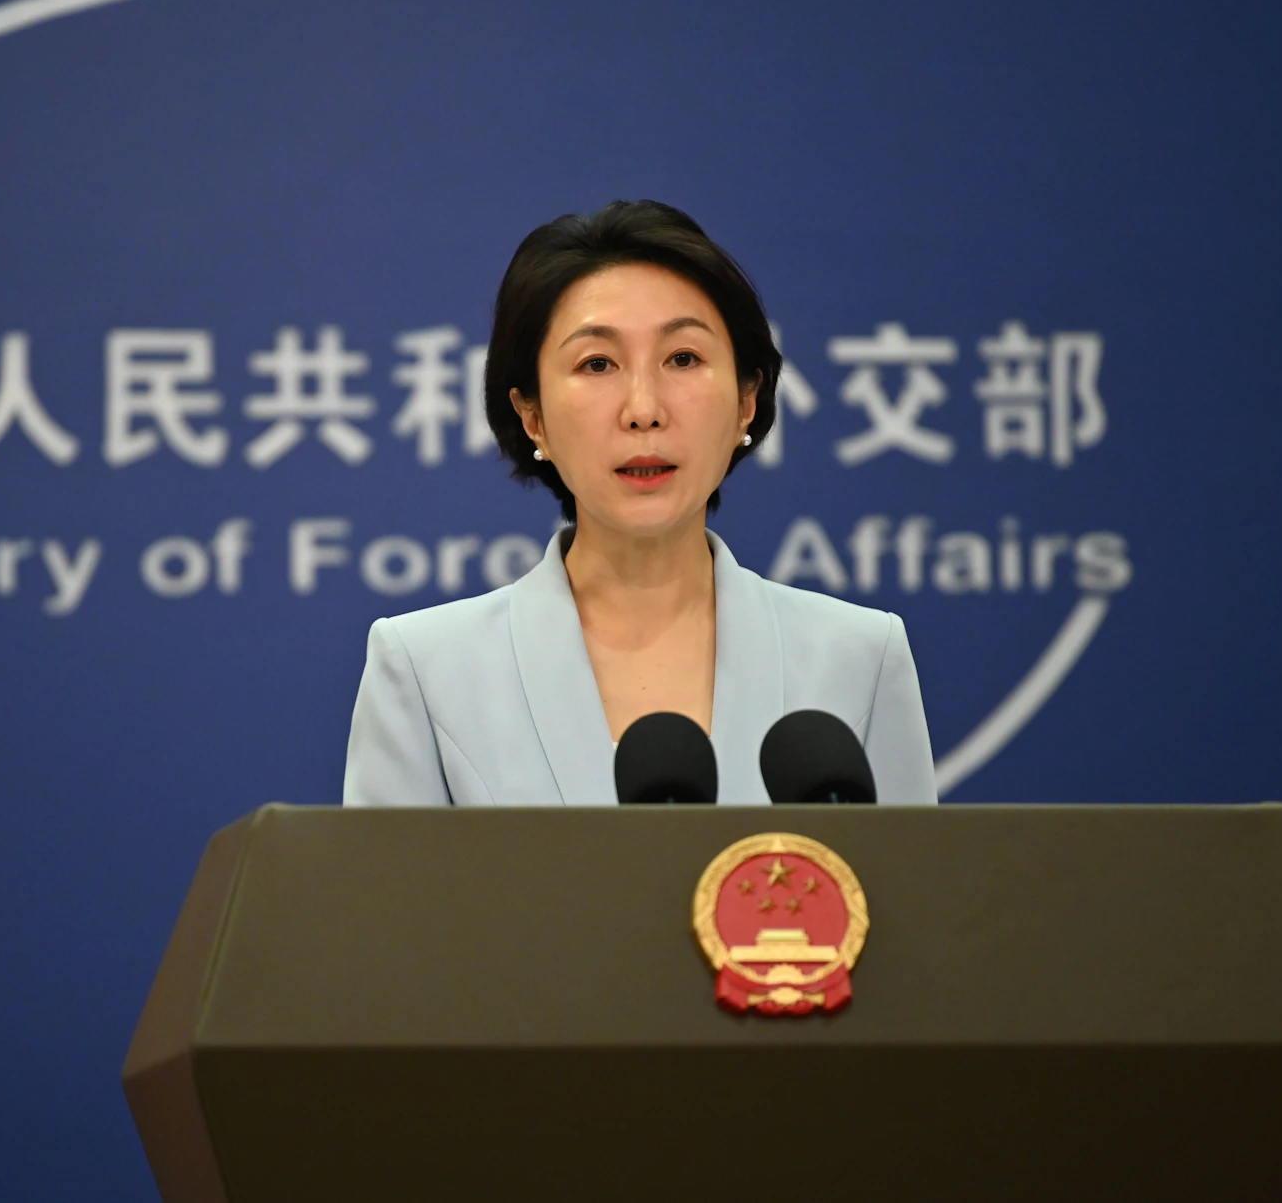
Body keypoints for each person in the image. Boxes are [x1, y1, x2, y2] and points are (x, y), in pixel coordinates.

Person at [343, 201, 936, 806]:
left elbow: (910, 871)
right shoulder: (425, 670)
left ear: (746, 402)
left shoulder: (859, 658)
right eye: (597, 363)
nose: (644, 410)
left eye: (683, 358)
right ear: (533, 416)